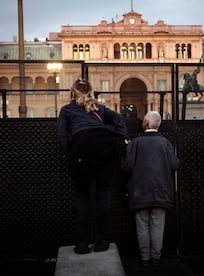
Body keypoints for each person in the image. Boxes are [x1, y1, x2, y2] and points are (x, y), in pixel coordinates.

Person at [57, 78, 129, 254]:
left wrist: (71, 152)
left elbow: (62, 135)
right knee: (103, 195)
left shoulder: (67, 110)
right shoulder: (99, 109)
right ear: (90, 92)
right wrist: (122, 137)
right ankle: (101, 242)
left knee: (82, 196)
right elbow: (119, 118)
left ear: (72, 93)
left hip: (82, 150)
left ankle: (82, 244)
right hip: (106, 148)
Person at [121, 111, 180, 267]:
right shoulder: (165, 143)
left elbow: (126, 167)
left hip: (139, 192)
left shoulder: (135, 143)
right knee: (157, 225)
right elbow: (175, 165)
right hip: (161, 191)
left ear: (145, 123)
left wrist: (127, 149)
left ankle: (145, 258)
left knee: (142, 225)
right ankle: (156, 257)